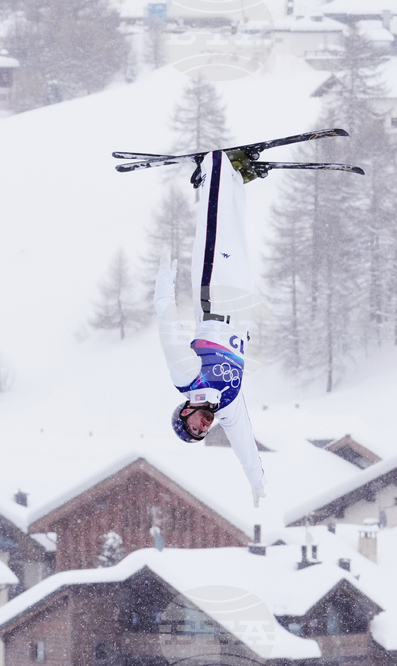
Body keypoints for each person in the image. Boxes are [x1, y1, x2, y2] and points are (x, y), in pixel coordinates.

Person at [154, 151, 266, 507]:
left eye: (194, 428)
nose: (203, 427)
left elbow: (167, 324)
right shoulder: (228, 405)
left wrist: (164, 281)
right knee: (239, 235)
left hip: (214, 293)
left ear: (185, 412)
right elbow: (243, 444)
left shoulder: (187, 379)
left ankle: (214, 165)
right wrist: (256, 482)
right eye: (202, 433)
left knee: (215, 226)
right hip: (242, 303)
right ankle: (235, 177)